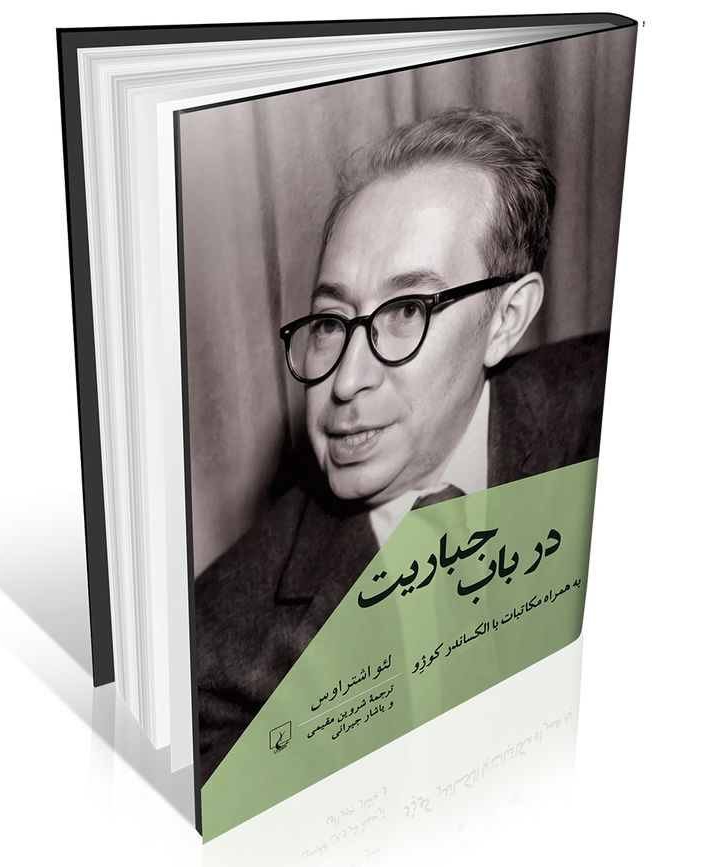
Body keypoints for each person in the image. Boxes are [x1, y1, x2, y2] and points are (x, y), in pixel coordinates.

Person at [193, 108, 608, 783]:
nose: (346, 381)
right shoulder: (215, 642)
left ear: (506, 319)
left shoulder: (607, 414)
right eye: (331, 322)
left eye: (407, 311)